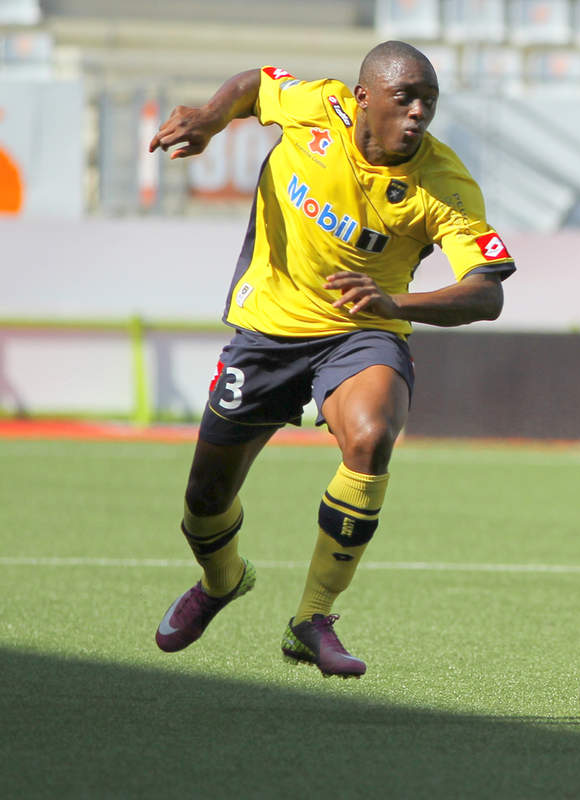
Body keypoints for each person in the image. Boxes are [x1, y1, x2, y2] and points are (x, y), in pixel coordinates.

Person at [149, 41, 515, 678]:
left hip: (362, 333)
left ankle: (312, 618)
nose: (419, 112)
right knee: (204, 500)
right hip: (266, 329)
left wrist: (393, 299)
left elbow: (487, 291)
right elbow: (255, 84)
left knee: (371, 438)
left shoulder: (443, 183)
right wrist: (212, 117)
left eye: (429, 100)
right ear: (363, 98)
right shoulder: (319, 108)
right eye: (405, 98)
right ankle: (223, 580)